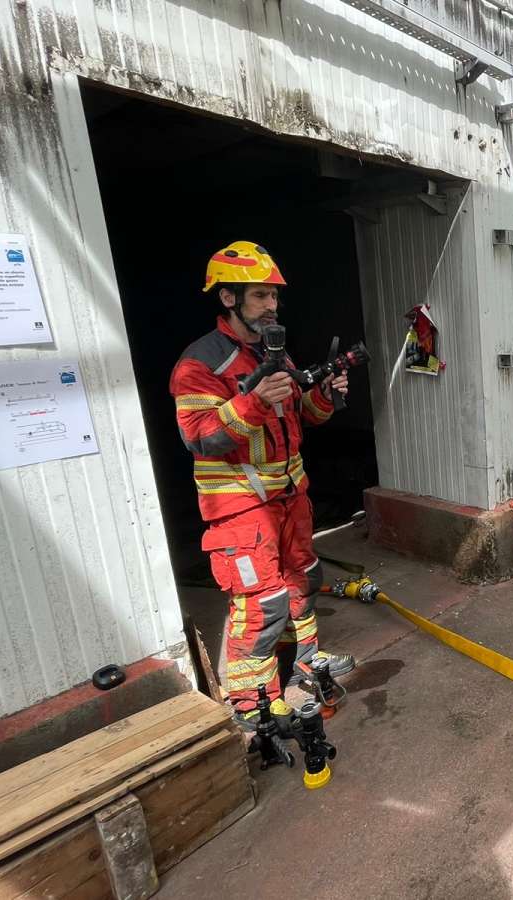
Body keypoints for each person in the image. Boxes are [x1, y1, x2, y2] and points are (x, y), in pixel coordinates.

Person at [170, 241, 357, 728]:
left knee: (303, 579)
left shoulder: (273, 354)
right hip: (241, 506)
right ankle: (255, 705)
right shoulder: (199, 365)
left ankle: (304, 664)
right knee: (261, 603)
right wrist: (252, 401)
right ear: (227, 298)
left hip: (290, 496)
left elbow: (300, 418)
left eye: (274, 295)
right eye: (259, 295)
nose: (272, 305)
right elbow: (199, 438)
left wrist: (323, 395)